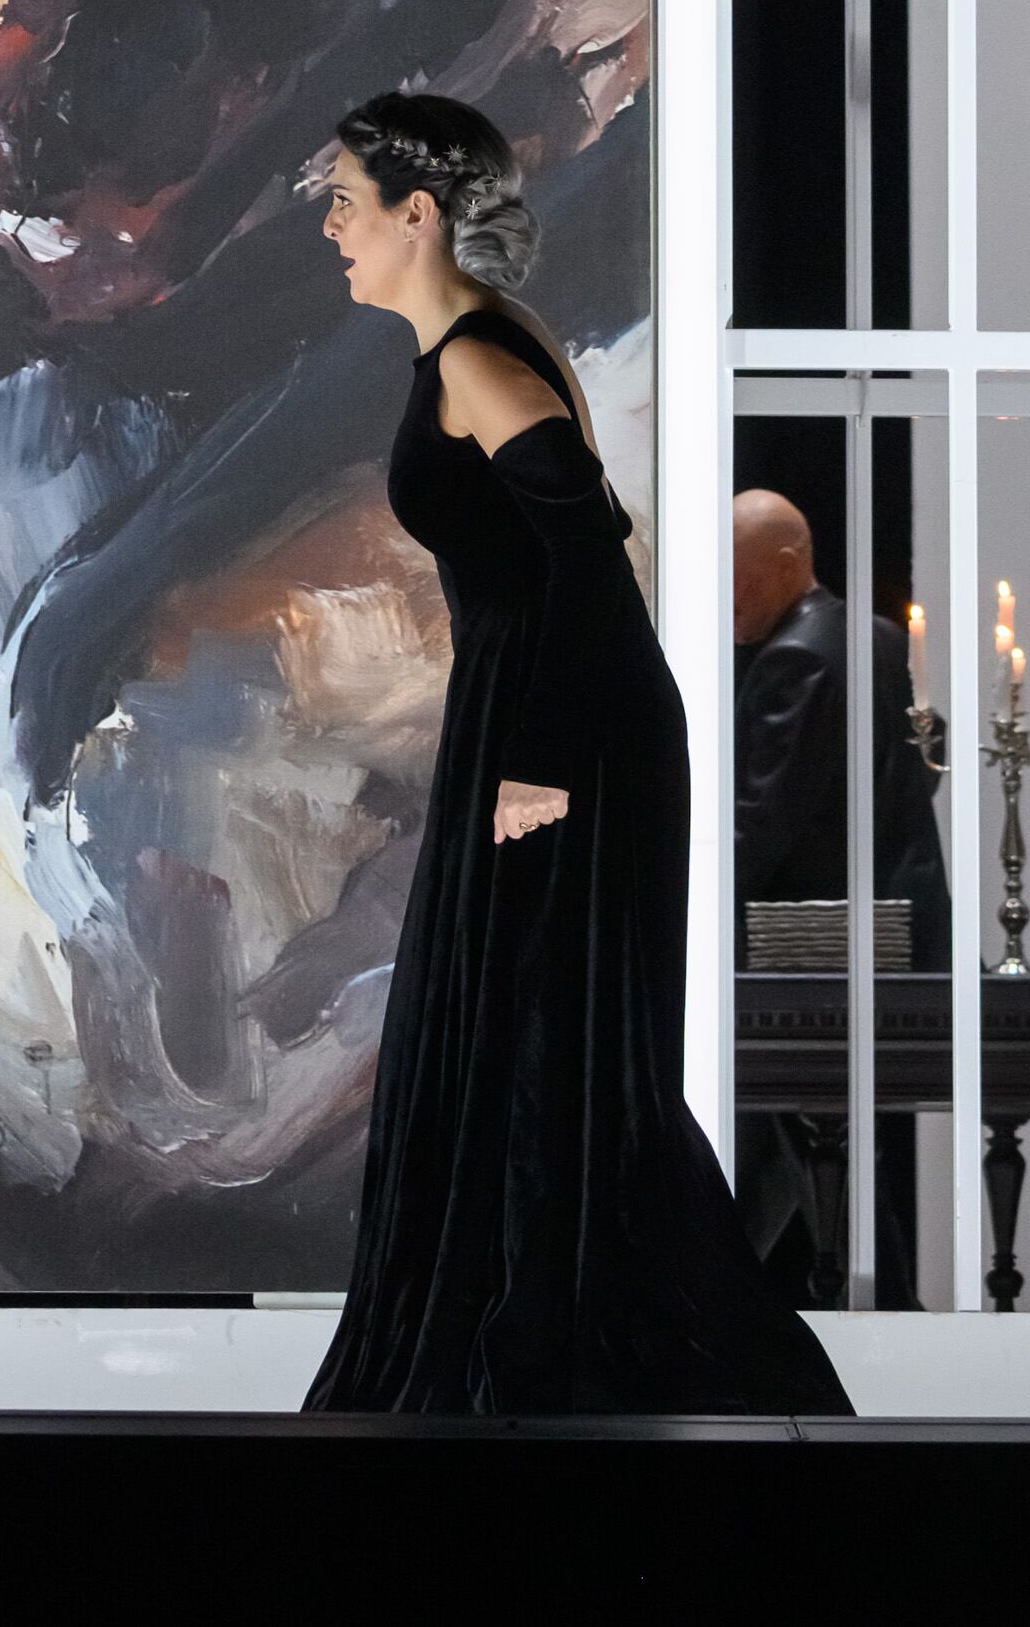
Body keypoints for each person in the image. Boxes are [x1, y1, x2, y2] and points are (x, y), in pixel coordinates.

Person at [302, 92, 849, 1416]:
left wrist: (538, 771)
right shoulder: (472, 352)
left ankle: (573, 1367)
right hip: (546, 720)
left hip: (564, 736)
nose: (330, 228)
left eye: (346, 202)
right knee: (517, 1049)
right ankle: (501, 1355)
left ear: (416, 215)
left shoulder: (482, 363)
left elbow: (591, 577)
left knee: (551, 1057)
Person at [733, 487, 949, 1307]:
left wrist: (682, 905)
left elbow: (762, 822)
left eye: (738, 581)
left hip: (812, 954)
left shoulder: (799, 657)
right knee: (809, 1156)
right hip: (890, 936)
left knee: (807, 1148)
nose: (727, 602)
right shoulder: (878, 637)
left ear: (790, 564)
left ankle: (881, 1310)